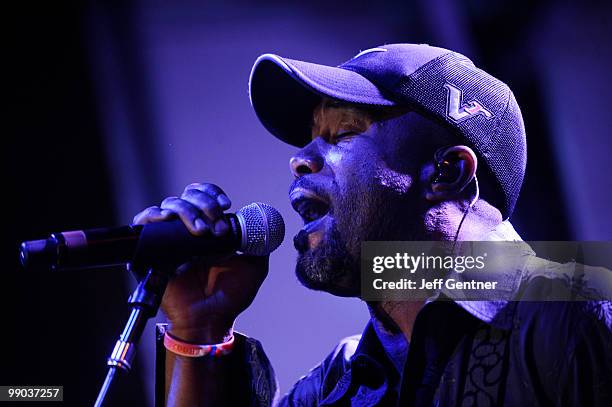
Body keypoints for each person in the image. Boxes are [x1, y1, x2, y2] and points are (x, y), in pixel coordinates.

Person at [133, 44, 611, 406]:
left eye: (342, 133)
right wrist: (199, 328)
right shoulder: (335, 388)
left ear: (447, 173)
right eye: (308, 139)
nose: (300, 160)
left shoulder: (575, 315)